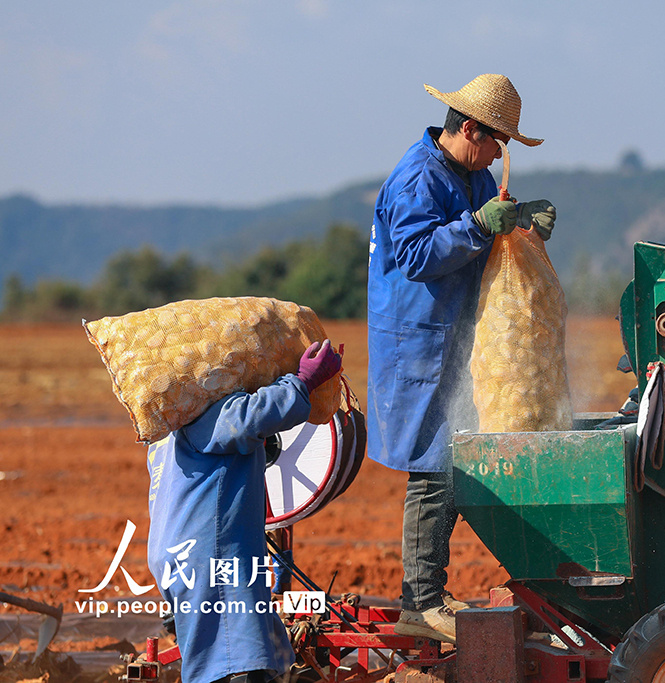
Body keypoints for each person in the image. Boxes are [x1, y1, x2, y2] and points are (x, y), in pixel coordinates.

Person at [366, 73, 556, 644]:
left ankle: (428, 595)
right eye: (498, 142)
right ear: (471, 130)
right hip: (418, 343)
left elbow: (486, 228)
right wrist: (478, 224)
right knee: (433, 468)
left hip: (455, 340)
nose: (500, 155)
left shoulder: (471, 174)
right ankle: (420, 604)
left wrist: (520, 220)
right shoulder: (417, 178)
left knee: (455, 463)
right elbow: (417, 254)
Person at [147, 340, 342, 683]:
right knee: (237, 659)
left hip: (175, 555)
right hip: (211, 556)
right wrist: (302, 381)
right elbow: (254, 416)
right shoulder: (208, 412)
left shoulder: (164, 432)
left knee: (232, 648)